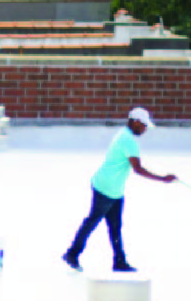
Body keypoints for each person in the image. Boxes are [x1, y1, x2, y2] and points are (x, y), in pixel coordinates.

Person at [62, 107, 176, 273]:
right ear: (136, 122)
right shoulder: (128, 141)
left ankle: (119, 261)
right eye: (144, 126)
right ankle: (72, 253)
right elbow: (137, 169)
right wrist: (163, 178)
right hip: (105, 188)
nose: (145, 130)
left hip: (114, 189)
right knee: (93, 221)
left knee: (114, 226)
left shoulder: (124, 134)